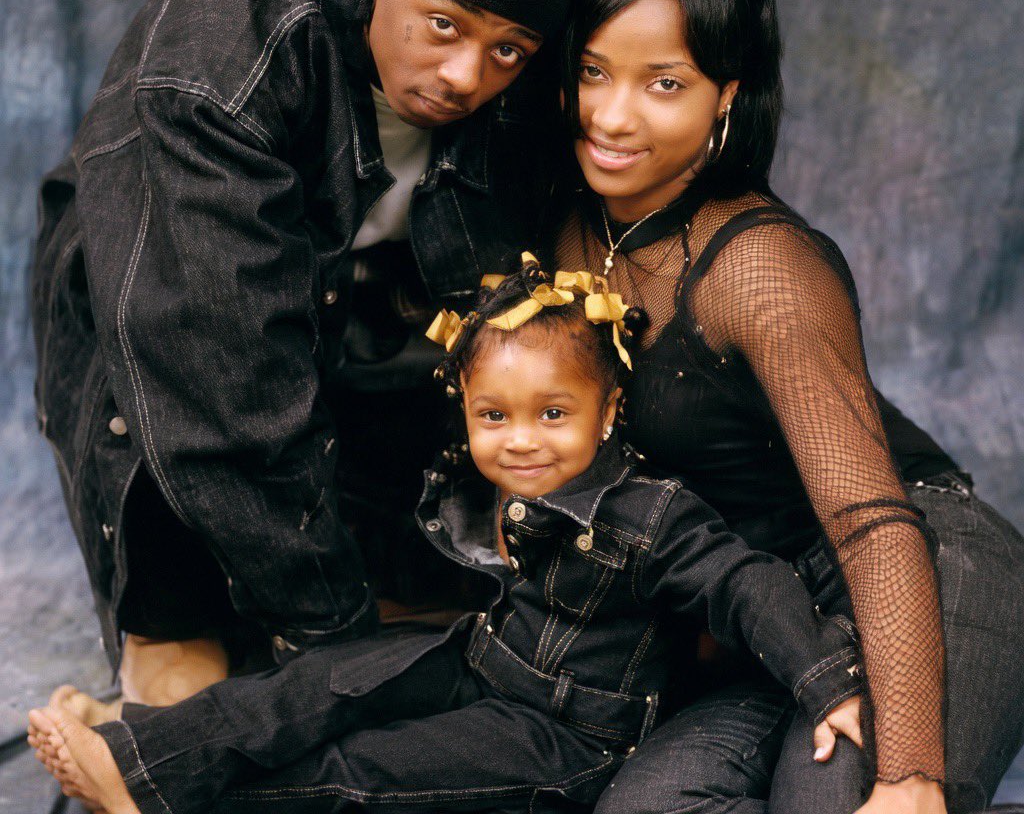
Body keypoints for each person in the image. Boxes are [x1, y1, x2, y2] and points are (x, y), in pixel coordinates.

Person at [30, 0, 579, 714]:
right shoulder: (219, 68)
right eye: (443, 27)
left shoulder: (521, 73)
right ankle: (161, 680)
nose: (469, 77)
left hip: (367, 331)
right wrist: (339, 648)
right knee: (191, 700)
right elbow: (224, 397)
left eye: (507, 50)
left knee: (441, 650)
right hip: (153, 338)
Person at [28, 257, 866, 814]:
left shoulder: (652, 514)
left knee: (367, 766)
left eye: (553, 414)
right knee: (321, 685)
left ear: (609, 413)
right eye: (492, 416)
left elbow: (748, 584)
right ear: (465, 413)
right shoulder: (482, 485)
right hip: (482, 661)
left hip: (568, 736)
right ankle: (146, 750)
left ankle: (169, 798)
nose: (521, 439)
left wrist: (827, 681)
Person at [550, 0, 1024, 814]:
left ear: (728, 93)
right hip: (776, 618)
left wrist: (911, 774)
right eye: (594, 71)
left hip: (918, 567)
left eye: (664, 83)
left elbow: (868, 521)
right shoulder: (564, 220)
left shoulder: (760, 266)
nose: (611, 117)